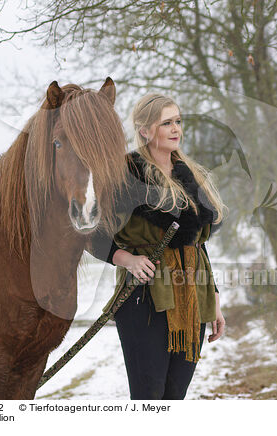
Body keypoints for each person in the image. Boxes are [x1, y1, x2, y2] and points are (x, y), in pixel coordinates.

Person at [89, 93, 226, 400]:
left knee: (175, 396)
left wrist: (213, 298)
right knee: (149, 396)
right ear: (145, 131)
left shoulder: (192, 175)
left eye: (178, 121)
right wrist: (128, 260)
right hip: (144, 296)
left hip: (193, 296)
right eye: (166, 123)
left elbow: (197, 246)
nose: (176, 128)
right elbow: (92, 235)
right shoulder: (124, 176)